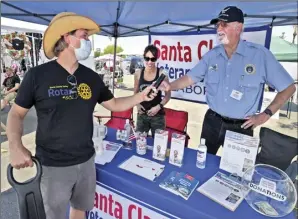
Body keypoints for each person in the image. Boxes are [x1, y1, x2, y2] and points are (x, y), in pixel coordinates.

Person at [6, 12, 158, 219]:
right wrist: (15, 146)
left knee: (80, 209)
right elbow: (16, 114)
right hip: (53, 165)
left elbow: (114, 104)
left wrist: (141, 96)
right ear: (67, 37)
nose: (88, 41)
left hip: (86, 161)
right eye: (84, 36)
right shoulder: (37, 75)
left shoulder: (91, 77)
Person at [160, 6, 296, 155]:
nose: (219, 28)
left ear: (239, 28)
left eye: (224, 24)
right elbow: (190, 78)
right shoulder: (212, 55)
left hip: (241, 128)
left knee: (236, 173)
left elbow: (289, 88)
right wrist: (170, 86)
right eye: (217, 24)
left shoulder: (259, 55)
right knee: (203, 162)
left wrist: (266, 114)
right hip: (212, 122)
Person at [134, 45, 171, 136]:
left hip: (158, 116)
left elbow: (168, 95)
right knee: (139, 142)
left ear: (156, 59)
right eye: (147, 58)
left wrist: (158, 107)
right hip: (142, 115)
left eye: (153, 59)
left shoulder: (162, 74)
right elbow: (135, 92)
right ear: (144, 58)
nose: (150, 62)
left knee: (159, 144)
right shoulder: (138, 73)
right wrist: (137, 105)